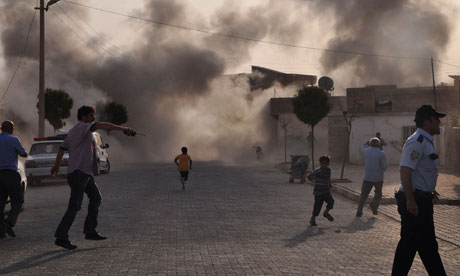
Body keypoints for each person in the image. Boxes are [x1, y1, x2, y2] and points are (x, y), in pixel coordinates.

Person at [50, 105, 135, 250]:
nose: (93, 119)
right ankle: (61, 236)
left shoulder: (73, 131)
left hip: (83, 173)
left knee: (96, 198)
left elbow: (62, 149)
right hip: (79, 173)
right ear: (85, 117)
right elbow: (102, 125)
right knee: (74, 206)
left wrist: (56, 166)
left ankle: (90, 231)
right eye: (91, 116)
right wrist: (123, 129)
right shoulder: (83, 126)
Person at [392, 105, 446, 276]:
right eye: (436, 119)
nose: (439, 122)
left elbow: (421, 171)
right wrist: (411, 199)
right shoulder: (417, 142)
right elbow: (405, 169)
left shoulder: (426, 140)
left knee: (412, 246)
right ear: (427, 122)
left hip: (421, 199)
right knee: (425, 246)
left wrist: (430, 189)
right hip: (415, 203)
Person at [0, 121, 27, 239]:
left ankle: (1, 232)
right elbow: (24, 153)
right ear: (11, 129)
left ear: (1, 129)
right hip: (10, 174)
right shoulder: (13, 140)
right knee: (18, 200)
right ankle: (9, 222)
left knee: (0, 204)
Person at [356, 137, 388, 217]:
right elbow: (385, 166)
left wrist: (367, 143)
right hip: (378, 177)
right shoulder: (381, 153)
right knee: (378, 193)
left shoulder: (366, 151)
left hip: (367, 177)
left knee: (364, 194)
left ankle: (359, 211)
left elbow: (364, 146)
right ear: (379, 144)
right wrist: (382, 170)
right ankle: (374, 205)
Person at [308, 155, 334, 226]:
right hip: (318, 192)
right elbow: (309, 177)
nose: (323, 165)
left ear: (328, 163)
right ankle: (312, 218)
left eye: (325, 163)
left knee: (331, 201)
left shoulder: (329, 170)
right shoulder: (317, 171)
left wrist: (330, 184)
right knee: (317, 206)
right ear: (320, 163)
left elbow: (328, 178)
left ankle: (326, 213)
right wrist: (316, 179)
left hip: (326, 191)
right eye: (322, 163)